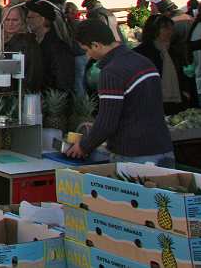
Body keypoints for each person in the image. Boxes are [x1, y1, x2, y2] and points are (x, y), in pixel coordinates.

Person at [68, 19, 174, 166]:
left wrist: (83, 146)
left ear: (96, 45)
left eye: (86, 50)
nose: (88, 56)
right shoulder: (144, 61)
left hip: (134, 155)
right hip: (162, 148)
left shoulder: (111, 72)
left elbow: (107, 122)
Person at [135, 14, 194, 114]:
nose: (169, 31)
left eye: (171, 28)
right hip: (152, 102)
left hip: (177, 101)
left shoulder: (173, 50)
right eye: (165, 28)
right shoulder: (141, 53)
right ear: (154, 30)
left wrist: (185, 91)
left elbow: (180, 73)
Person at [25, 0, 78, 93]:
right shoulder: (33, 43)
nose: (27, 21)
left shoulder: (58, 48)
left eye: (31, 17)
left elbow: (63, 82)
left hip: (51, 101)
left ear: (43, 19)